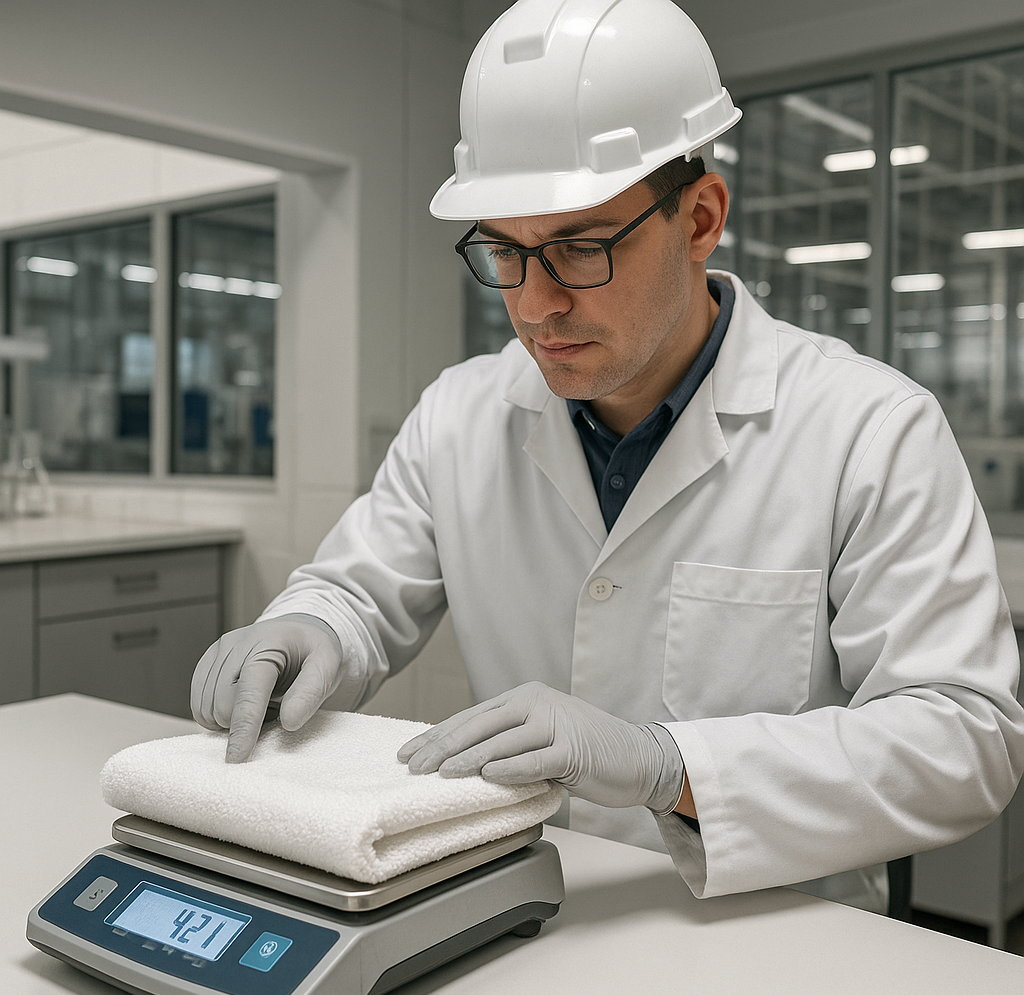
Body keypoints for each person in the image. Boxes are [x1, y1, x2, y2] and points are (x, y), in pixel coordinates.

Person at [191, 0, 1024, 912]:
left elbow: (964, 740)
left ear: (700, 218)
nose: (537, 305)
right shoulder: (461, 415)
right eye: (504, 253)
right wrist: (303, 631)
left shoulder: (871, 428)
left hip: (779, 944)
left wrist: (668, 764)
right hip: (520, 917)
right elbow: (356, 596)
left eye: (581, 250)